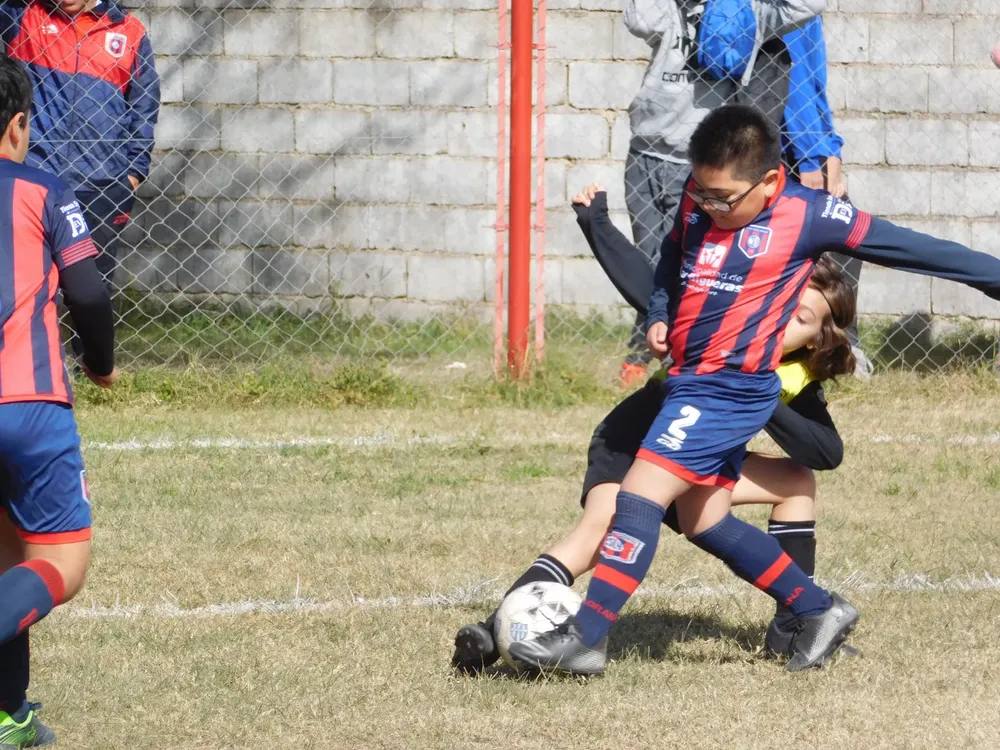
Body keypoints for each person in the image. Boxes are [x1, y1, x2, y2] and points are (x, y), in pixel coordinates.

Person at [506, 104, 1000, 676]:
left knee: (637, 497)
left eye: (724, 199)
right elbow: (671, 262)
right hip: (690, 381)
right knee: (703, 520)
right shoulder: (700, 198)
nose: (708, 206)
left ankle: (587, 637)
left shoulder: (813, 215)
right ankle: (819, 609)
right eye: (702, 192)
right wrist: (663, 314)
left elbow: (919, 249)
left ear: (769, 182)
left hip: (730, 391)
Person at [451, 199, 857, 674]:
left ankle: (798, 619)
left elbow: (826, 451)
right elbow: (647, 289)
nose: (784, 318)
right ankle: (495, 629)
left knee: (790, 484)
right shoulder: (720, 324)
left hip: (702, 460)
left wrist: (759, 389)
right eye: (783, 304)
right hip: (636, 440)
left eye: (801, 320)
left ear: (816, 341)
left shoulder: (794, 373)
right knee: (599, 527)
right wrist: (597, 223)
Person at [0, 56, 117, 747]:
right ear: (18, 126)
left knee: (8, 562)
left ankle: (9, 716)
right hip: (29, 404)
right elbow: (89, 292)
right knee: (60, 567)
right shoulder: (43, 189)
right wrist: (101, 366)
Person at [618, 0, 825, 386]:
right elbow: (636, 18)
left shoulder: (753, 11)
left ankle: (686, 359)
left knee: (696, 267)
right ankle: (652, 349)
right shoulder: (668, 9)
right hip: (644, 153)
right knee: (650, 261)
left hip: (701, 167)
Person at [0, 0, 160, 359]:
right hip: (35, 181)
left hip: (102, 184)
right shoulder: (23, 16)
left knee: (90, 285)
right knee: (29, 281)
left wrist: (132, 175)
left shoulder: (129, 32)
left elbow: (144, 109)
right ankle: (30, 363)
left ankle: (90, 367)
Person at [782, 15, 870, 377]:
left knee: (845, 248)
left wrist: (830, 152)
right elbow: (790, 86)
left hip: (812, 149)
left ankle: (840, 346)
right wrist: (809, 157)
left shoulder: (807, 11)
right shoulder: (781, 12)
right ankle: (822, 347)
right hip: (783, 150)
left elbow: (814, 87)